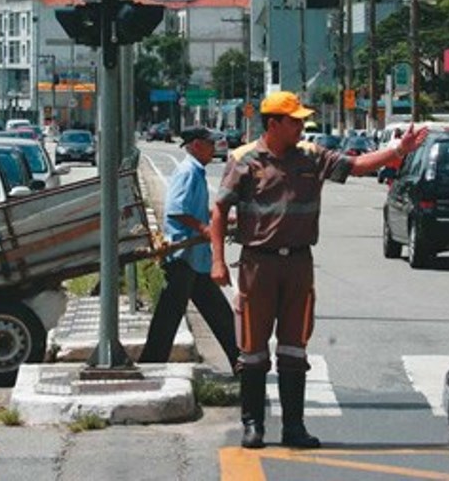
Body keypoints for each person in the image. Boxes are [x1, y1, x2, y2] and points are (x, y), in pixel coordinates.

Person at [210, 91, 428, 450]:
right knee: (252, 350)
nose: (301, 126)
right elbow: (219, 211)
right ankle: (253, 424)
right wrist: (218, 260)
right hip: (258, 264)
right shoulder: (243, 159)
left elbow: (356, 166)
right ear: (273, 124)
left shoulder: (311, 155)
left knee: (294, 349)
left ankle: (294, 428)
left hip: (298, 263)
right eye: (294, 121)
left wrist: (398, 151)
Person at [139, 127, 239, 370]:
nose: (214, 148)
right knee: (170, 316)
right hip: (182, 257)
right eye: (210, 143)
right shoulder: (188, 171)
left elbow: (193, 209)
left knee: (218, 313)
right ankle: (151, 363)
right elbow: (176, 210)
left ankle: (241, 362)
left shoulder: (196, 171)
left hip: (195, 259)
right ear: (196, 145)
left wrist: (221, 219)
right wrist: (205, 229)